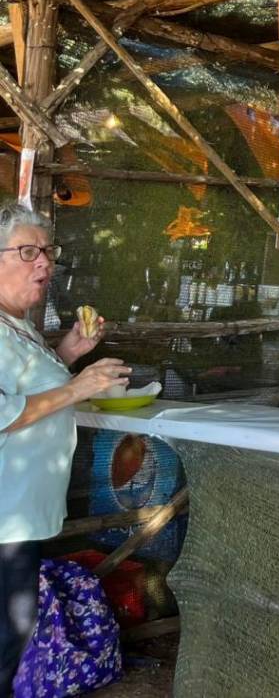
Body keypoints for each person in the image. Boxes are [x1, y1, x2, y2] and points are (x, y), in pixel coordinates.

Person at [0, 203, 129, 696]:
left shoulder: (16, 323)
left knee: (11, 636)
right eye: (28, 252)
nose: (44, 263)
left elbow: (23, 383)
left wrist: (70, 352)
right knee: (6, 637)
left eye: (47, 252)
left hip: (20, 515)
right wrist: (78, 387)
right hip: (5, 515)